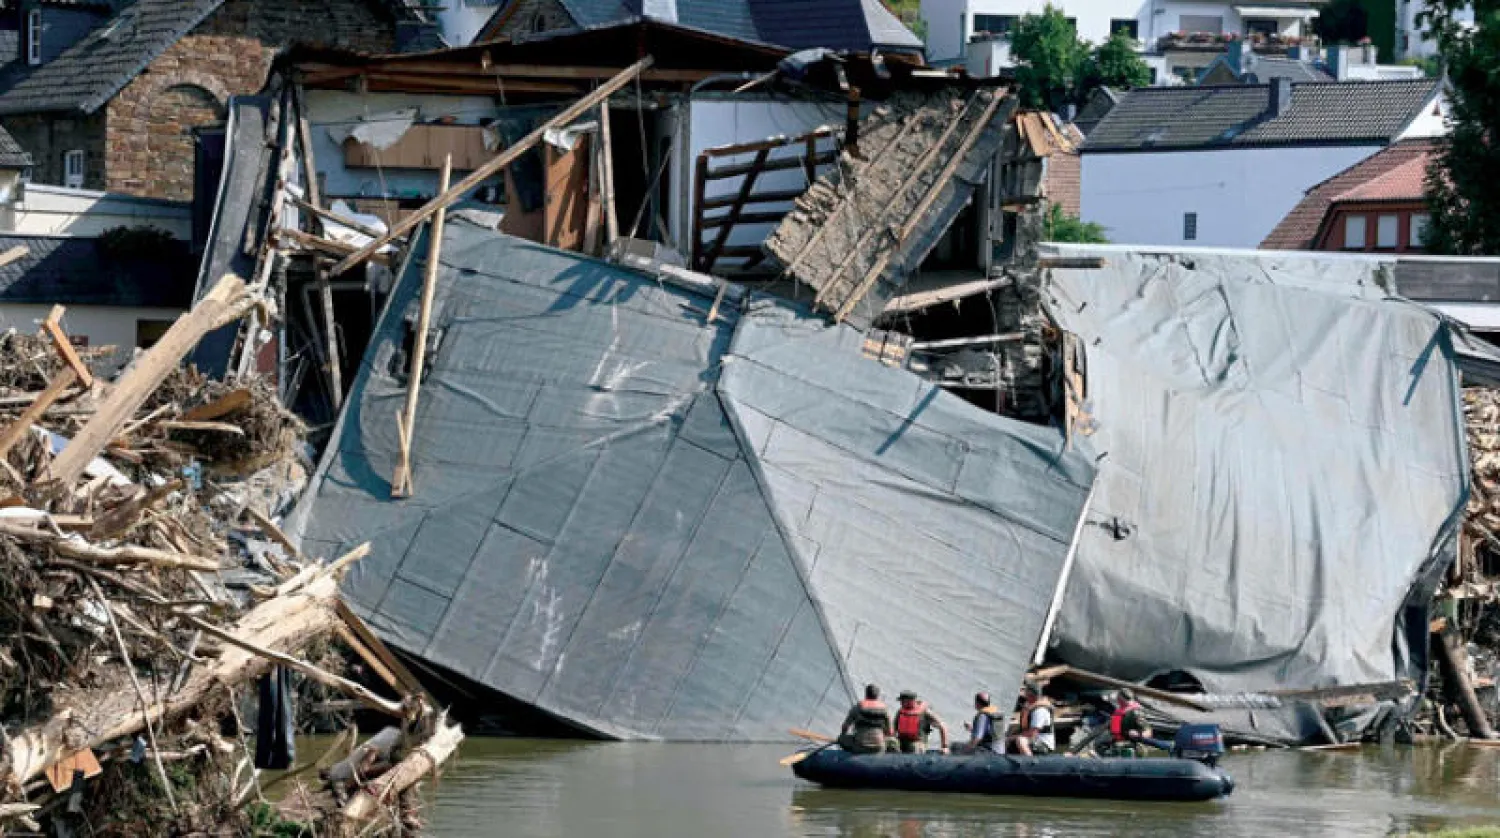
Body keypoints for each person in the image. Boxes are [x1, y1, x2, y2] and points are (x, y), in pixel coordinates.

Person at [839, 684, 894, 754]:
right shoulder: (884, 709)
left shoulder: (858, 707)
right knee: (892, 742)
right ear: (877, 696)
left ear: (866, 694)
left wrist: (843, 735)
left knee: (841, 739)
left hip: (860, 746)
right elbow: (890, 732)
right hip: (879, 748)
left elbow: (845, 727)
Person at [894, 690, 949, 754]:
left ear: (911, 701)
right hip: (901, 740)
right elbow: (894, 727)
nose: (901, 703)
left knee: (913, 748)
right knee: (891, 744)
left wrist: (945, 746)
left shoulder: (924, 712)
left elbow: (942, 726)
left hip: (918, 742)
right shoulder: (900, 712)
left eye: (903, 701)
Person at [1007, 682, 1055, 756]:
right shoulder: (1029, 706)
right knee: (1011, 736)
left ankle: (1030, 761)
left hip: (1043, 744)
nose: (1024, 694)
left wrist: (1011, 738)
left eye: (1026, 692)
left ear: (1031, 694)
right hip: (1032, 740)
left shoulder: (1040, 710)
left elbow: (1032, 734)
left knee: (1020, 740)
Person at [1108, 688, 1151, 756]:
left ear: (1121, 698)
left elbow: (1148, 732)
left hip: (1130, 748)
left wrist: (1138, 734)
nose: (1117, 699)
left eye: (1118, 697)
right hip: (1116, 744)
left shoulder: (1136, 712)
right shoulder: (1119, 710)